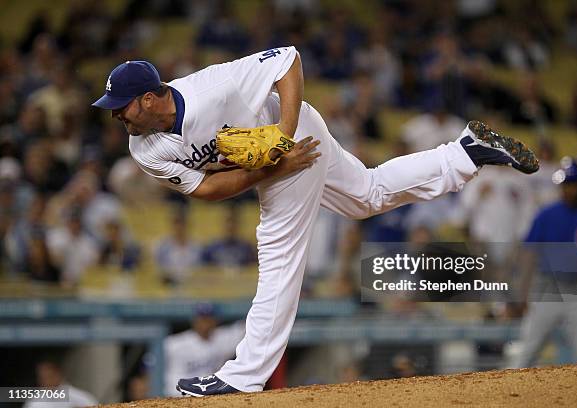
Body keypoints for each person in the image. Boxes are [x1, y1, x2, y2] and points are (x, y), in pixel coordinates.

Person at [92, 47, 538, 395]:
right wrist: (273, 167)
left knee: (277, 247)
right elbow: (207, 191)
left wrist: (283, 140)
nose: (115, 114)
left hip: (294, 131)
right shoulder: (144, 149)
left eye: (121, 105)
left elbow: (288, 60)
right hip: (278, 163)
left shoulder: (212, 88)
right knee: (368, 194)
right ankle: (464, 152)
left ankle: (244, 375)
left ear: (148, 98)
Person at [514, 158, 577, 368]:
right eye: (565, 184)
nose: (567, 189)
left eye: (572, 184)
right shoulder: (546, 214)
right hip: (547, 288)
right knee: (526, 354)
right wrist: (522, 291)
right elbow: (529, 255)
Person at [163, 304, 244, 397]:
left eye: (209, 318)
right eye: (202, 318)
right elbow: (150, 364)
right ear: (194, 320)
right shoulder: (174, 343)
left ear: (216, 320)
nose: (205, 322)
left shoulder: (224, 338)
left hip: (210, 397)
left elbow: (249, 325)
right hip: (178, 396)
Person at [23, 359, 98, 408]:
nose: (46, 381)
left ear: (58, 374)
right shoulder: (34, 402)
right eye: (42, 378)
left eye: (49, 376)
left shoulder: (81, 398)